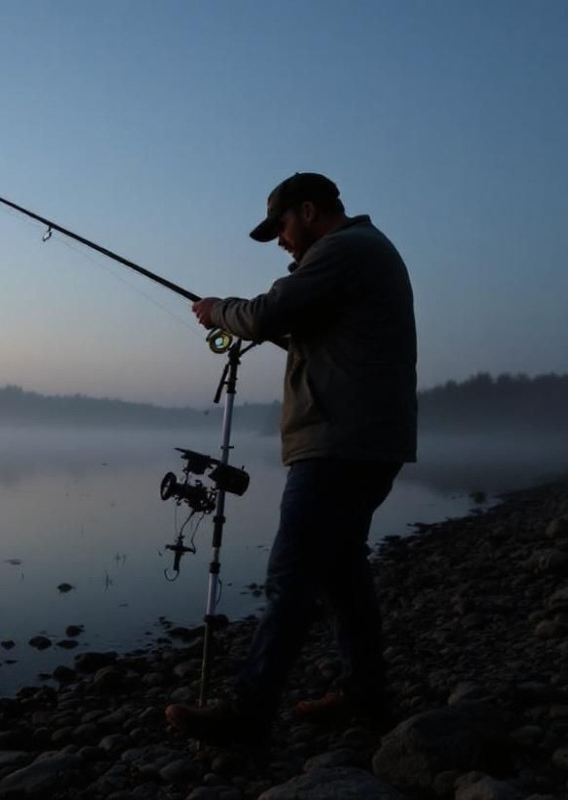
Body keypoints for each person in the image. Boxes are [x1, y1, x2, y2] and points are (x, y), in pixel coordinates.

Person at [165, 172, 417, 746]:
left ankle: (247, 716)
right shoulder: (361, 253)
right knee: (342, 574)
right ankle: (366, 698)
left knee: (292, 574)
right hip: (365, 440)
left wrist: (216, 310)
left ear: (308, 211)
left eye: (280, 227)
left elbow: (261, 315)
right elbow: (319, 333)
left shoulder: (343, 249)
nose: (280, 240)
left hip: (339, 442)